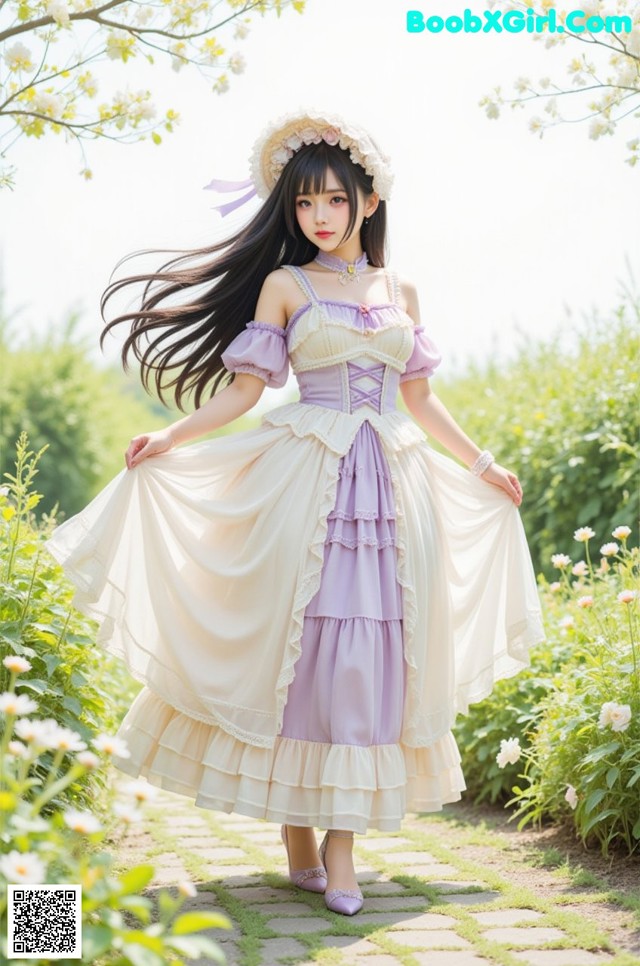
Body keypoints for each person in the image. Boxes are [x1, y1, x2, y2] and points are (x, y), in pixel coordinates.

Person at [46, 109, 544, 917]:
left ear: (369, 202)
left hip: (389, 490)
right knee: (300, 652)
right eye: (305, 202)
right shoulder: (286, 285)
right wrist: (170, 436)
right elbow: (247, 392)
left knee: (372, 659)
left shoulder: (401, 290)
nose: (319, 215)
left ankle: (339, 847)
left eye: (334, 200)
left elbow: (420, 399)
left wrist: (484, 464)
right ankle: (298, 834)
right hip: (306, 484)